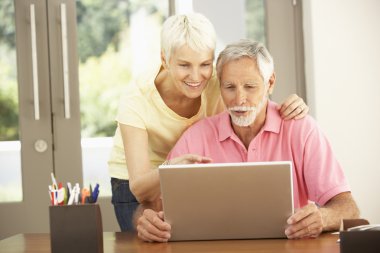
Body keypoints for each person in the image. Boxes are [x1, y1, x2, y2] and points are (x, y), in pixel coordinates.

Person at [135, 39, 360, 242]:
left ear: (270, 83)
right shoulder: (197, 136)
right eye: (229, 87)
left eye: (250, 87)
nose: (239, 99)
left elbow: (348, 207)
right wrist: (145, 221)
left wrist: (323, 217)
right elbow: (150, 205)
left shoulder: (301, 129)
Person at [108, 13, 309, 232]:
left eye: (204, 64)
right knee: (148, 240)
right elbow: (139, 189)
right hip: (140, 180)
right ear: (165, 60)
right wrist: (170, 168)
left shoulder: (217, 83)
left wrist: (288, 105)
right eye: (184, 65)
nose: (196, 77)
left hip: (187, 171)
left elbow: (252, 102)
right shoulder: (136, 100)